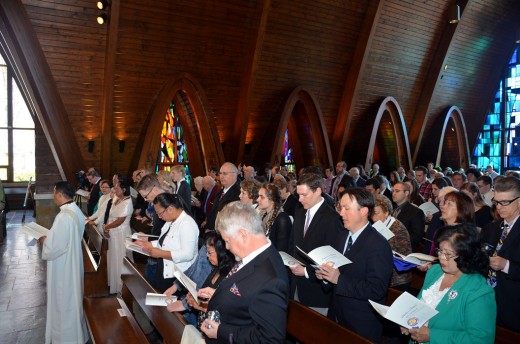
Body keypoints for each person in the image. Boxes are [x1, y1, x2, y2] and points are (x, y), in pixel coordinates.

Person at [199, 201, 289, 342]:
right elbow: (245, 293)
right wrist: (220, 294)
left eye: (227, 241)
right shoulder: (253, 255)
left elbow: (270, 339)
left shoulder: (271, 279)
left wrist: (221, 332)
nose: (227, 247)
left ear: (243, 235)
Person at [316, 188, 393, 342]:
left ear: (364, 211)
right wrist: (325, 276)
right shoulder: (342, 236)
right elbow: (337, 275)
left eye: (346, 208)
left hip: (361, 324)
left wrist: (339, 279)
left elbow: (377, 289)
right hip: (337, 316)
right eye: (340, 207)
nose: (341, 213)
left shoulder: (378, 245)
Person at [402, 224, 496, 343]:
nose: (441, 257)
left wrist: (432, 336)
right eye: (440, 251)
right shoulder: (434, 271)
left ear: (466, 255)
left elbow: (481, 340)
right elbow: (420, 309)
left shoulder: (478, 290)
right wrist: (408, 322)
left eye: (448, 254)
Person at [38, 181, 88, 344]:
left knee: (63, 300)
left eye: (54, 193)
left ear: (59, 194)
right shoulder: (76, 210)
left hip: (63, 266)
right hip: (73, 260)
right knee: (72, 299)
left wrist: (45, 241)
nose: (53, 197)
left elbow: (55, 247)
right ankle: (77, 334)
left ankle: (66, 338)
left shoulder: (63, 216)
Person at [289, 173, 343, 315]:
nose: (300, 199)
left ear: (318, 191)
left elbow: (333, 259)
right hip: (295, 284)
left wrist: (306, 271)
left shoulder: (332, 219)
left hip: (317, 290)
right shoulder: (300, 212)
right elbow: (294, 244)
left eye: (304, 195)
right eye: (298, 195)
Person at [166, 232, 234, 327]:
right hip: (202, 322)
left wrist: (197, 305)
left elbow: (221, 309)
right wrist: (195, 299)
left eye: (210, 252)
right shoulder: (216, 268)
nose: (207, 255)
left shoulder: (230, 276)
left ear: (221, 252)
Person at [480, 176, 520, 332]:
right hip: (487, 299)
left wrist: (506, 265)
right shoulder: (491, 228)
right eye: (496, 202)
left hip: (513, 304)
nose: (500, 207)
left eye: (505, 202)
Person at [136, 193, 199, 292]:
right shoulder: (170, 221)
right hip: (165, 269)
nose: (159, 217)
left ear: (170, 208)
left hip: (178, 275)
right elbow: (165, 241)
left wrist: (161, 253)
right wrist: (148, 244)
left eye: (160, 213)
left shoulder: (187, 224)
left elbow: (188, 254)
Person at [372, 194, 412, 291]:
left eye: (376, 213)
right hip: (383, 275)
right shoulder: (376, 225)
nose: (373, 217)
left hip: (398, 279)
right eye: (371, 213)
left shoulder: (397, 228)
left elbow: (401, 256)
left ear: (386, 213)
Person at [104, 179, 134, 294]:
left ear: (124, 189)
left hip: (121, 233)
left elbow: (120, 221)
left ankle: (122, 288)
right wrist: (106, 226)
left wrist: (107, 227)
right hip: (113, 232)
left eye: (116, 188)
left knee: (121, 259)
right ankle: (114, 284)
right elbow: (110, 215)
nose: (114, 190)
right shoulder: (116, 199)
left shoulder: (128, 202)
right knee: (113, 257)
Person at [204, 162, 241, 231]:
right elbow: (214, 211)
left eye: (225, 173)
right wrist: (208, 226)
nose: (221, 176)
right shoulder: (220, 192)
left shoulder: (238, 193)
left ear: (234, 175)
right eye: (220, 173)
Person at [257, 183, 292, 252]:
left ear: (272, 199)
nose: (258, 199)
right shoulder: (263, 215)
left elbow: (282, 250)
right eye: (258, 196)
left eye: (262, 197)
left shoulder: (282, 219)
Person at [392, 182, 426, 251]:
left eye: (397, 191)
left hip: (406, 251)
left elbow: (417, 237)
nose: (393, 193)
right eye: (392, 191)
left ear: (406, 193)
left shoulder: (416, 212)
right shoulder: (393, 209)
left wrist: (396, 239)